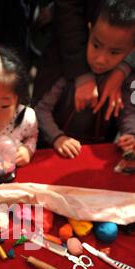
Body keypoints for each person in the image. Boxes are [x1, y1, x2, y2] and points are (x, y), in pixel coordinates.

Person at [35, 0, 135, 158]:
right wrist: (57, 137)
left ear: (131, 51)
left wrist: (130, 135)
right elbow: (39, 111)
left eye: (114, 52)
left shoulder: (128, 80)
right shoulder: (66, 72)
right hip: (52, 148)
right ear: (89, 30)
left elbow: (130, 113)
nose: (101, 59)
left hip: (96, 153)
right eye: (96, 45)